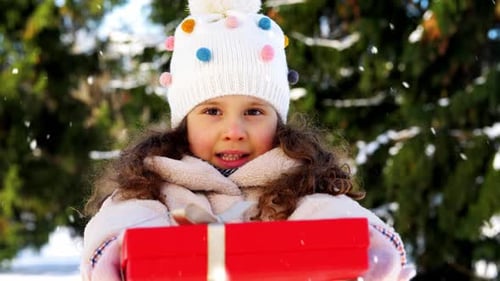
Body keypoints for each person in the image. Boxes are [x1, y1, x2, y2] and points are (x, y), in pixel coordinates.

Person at [80, 0, 416, 280]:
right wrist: (118, 250)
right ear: (182, 124)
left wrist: (371, 244)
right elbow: (123, 224)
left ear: (278, 123)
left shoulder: (297, 188)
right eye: (212, 111)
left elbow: (332, 216)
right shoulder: (154, 187)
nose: (234, 130)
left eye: (254, 112)